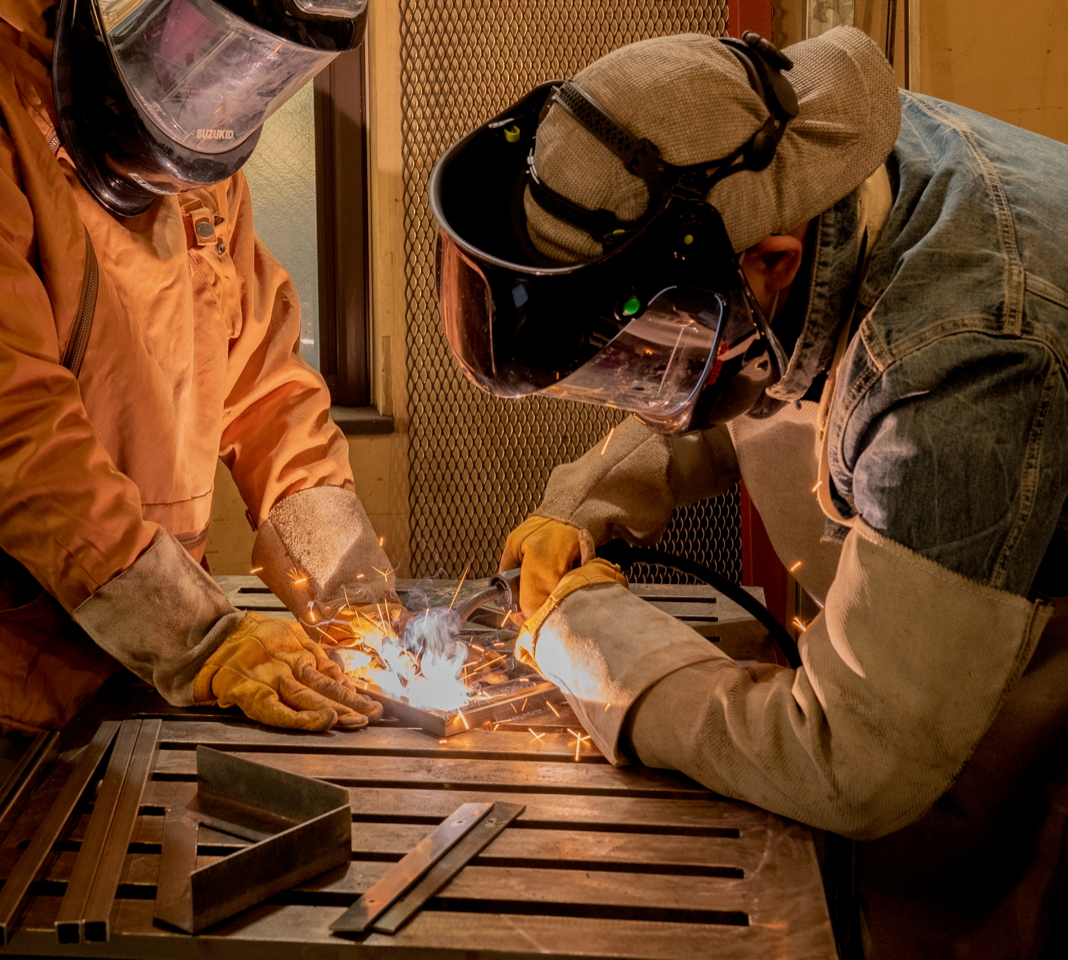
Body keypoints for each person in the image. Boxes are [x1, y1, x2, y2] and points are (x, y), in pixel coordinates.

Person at [431, 25, 1068, 958]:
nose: (640, 378)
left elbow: (860, 766)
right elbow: (736, 378)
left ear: (770, 258)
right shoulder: (814, 167)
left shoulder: (961, 358)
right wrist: (585, 502)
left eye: (641, 353)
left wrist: (591, 642)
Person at [0, 0, 395, 919]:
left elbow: (264, 383)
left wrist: (348, 584)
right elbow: (3, 428)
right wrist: (206, 637)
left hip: (116, 655)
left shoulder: (181, 129)